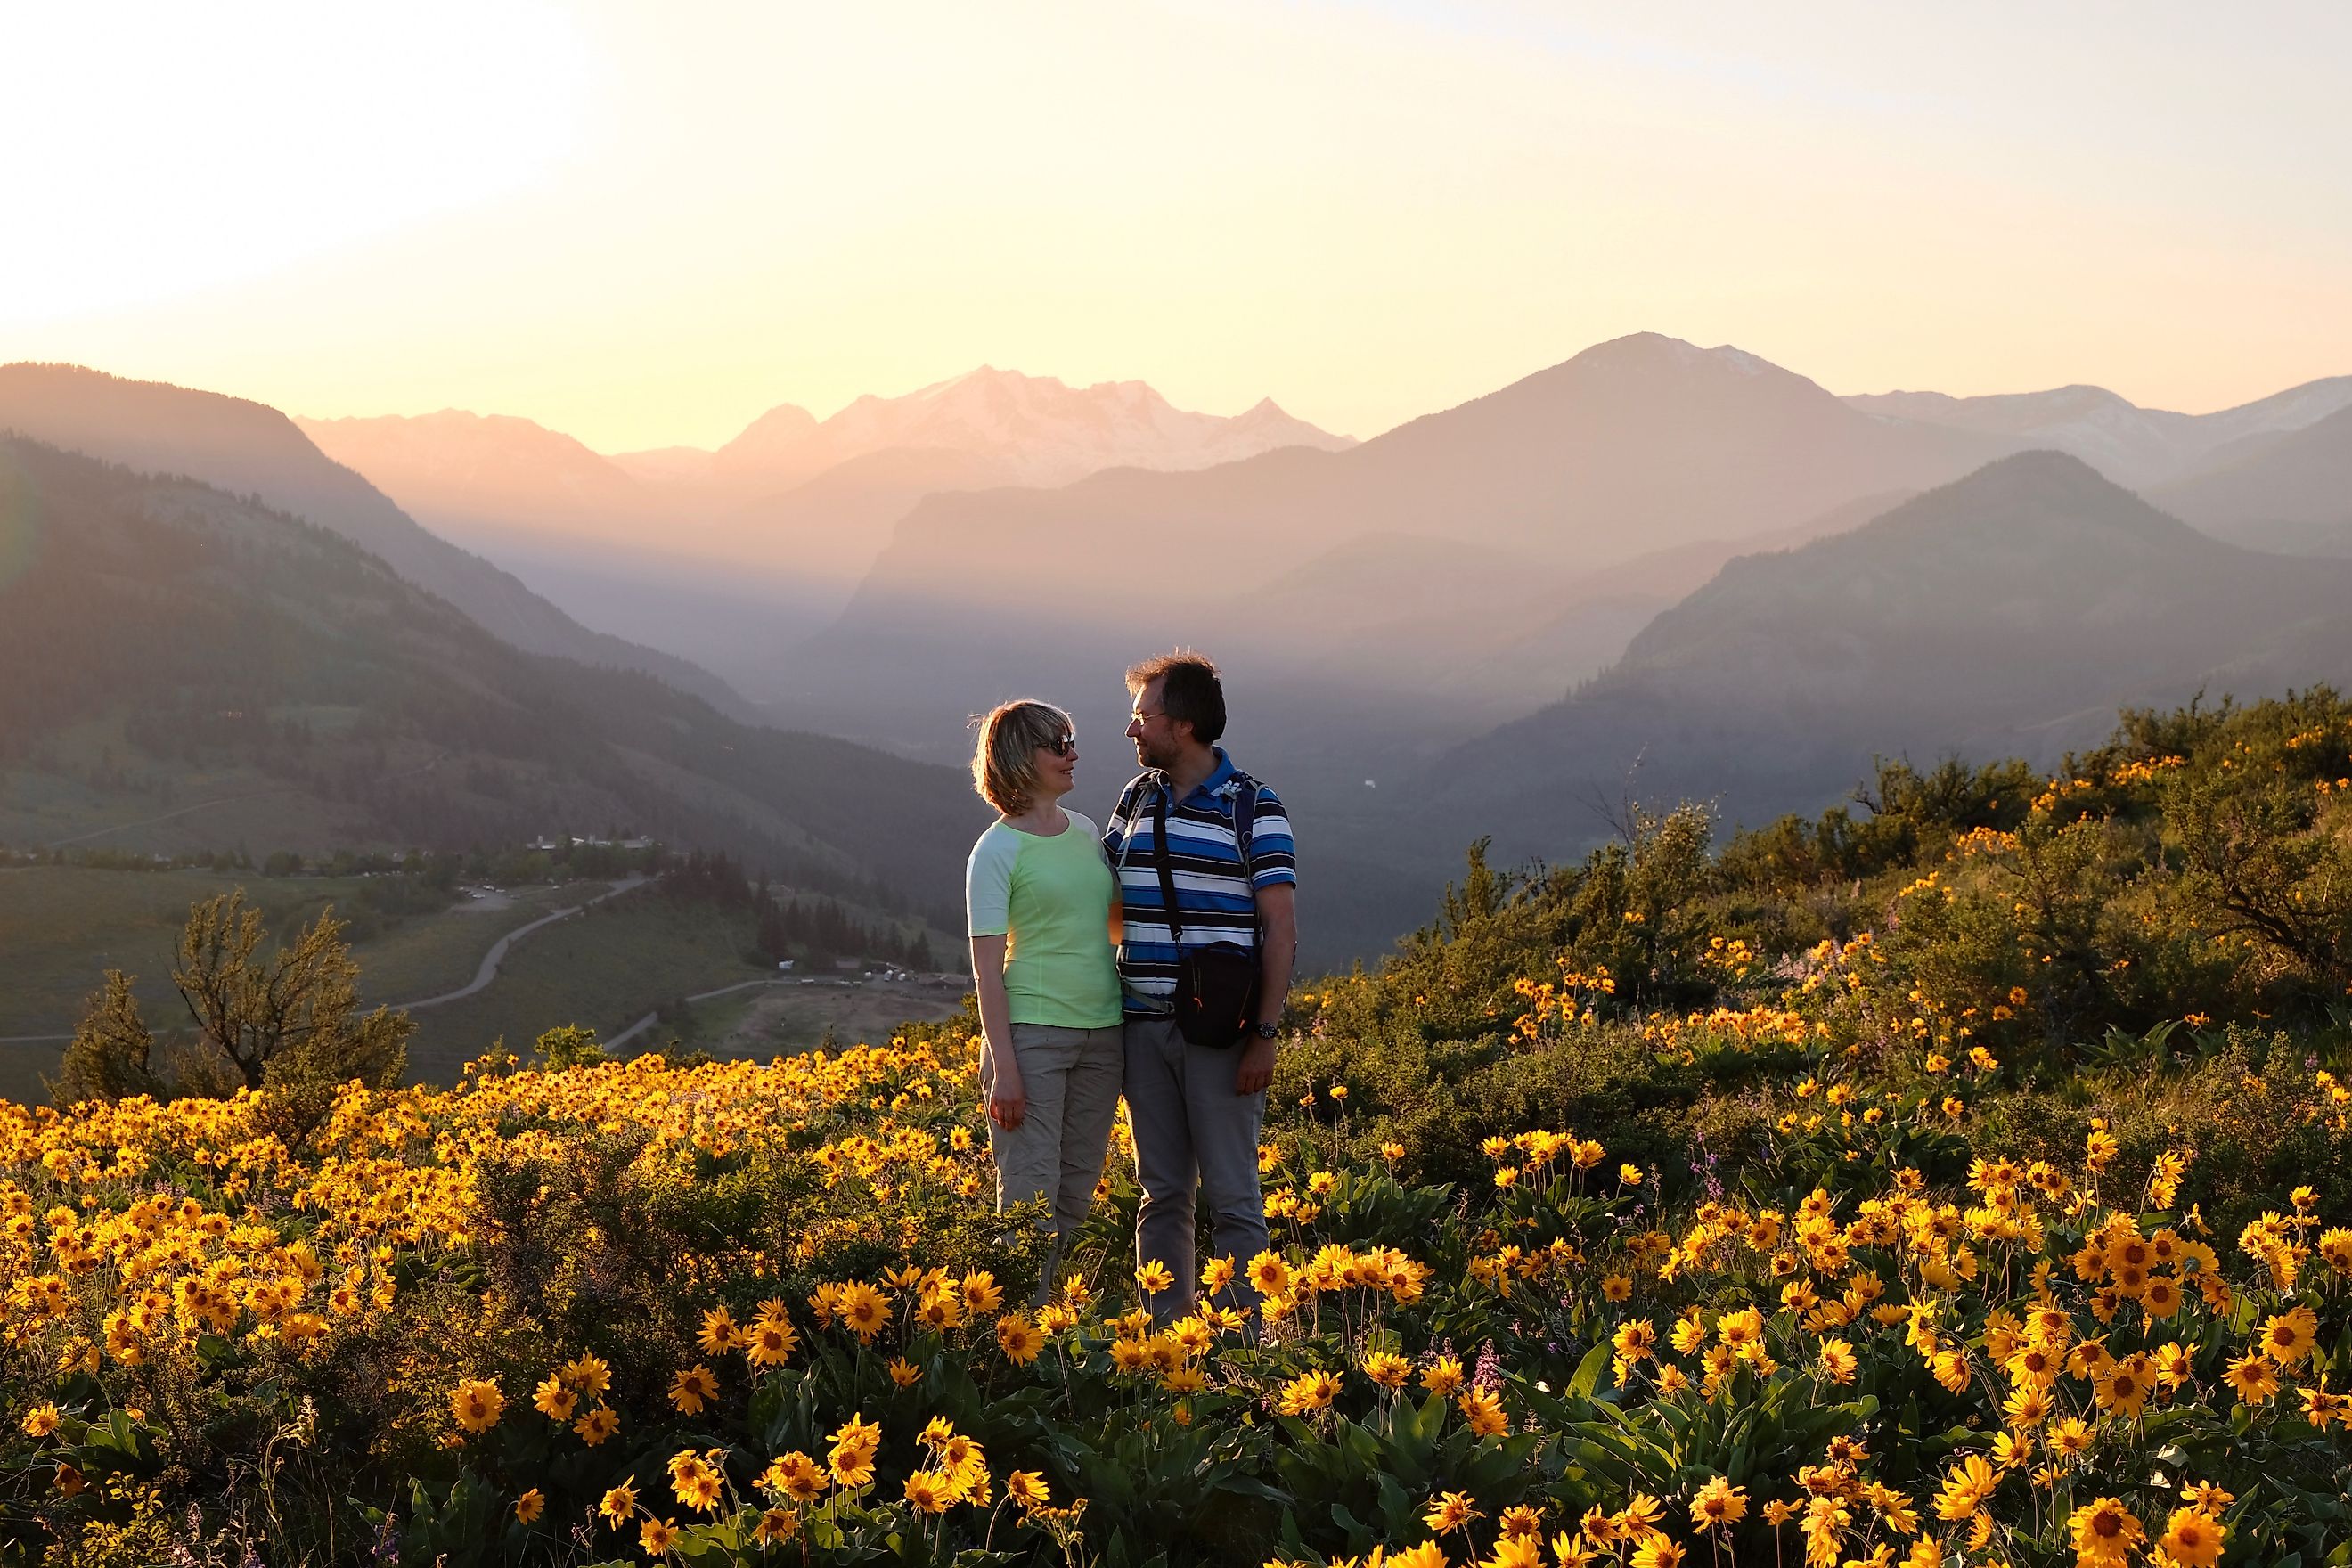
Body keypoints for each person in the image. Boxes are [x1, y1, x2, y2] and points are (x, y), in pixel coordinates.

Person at [1102, 652, 1297, 1322]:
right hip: (1139, 1025)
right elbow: (1104, 901)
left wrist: (1265, 1036)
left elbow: (1280, 930)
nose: (1131, 731)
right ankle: (1166, 1346)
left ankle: (1247, 1352)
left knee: (1235, 1197)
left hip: (1221, 1034)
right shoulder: (1135, 799)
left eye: (1141, 716)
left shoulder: (1253, 806)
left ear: (1181, 724)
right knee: (1161, 1194)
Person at [965, 699, 1125, 1303]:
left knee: (1076, 1195)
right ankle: (1020, 1342)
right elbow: (986, 968)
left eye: (1072, 741)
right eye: (1058, 744)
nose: (1073, 753)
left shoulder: (1085, 831)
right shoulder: (996, 851)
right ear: (1018, 757)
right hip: (1032, 1038)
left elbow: (1114, 922)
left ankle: (1057, 1331)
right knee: (1030, 1201)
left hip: (1103, 1034)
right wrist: (1004, 1068)